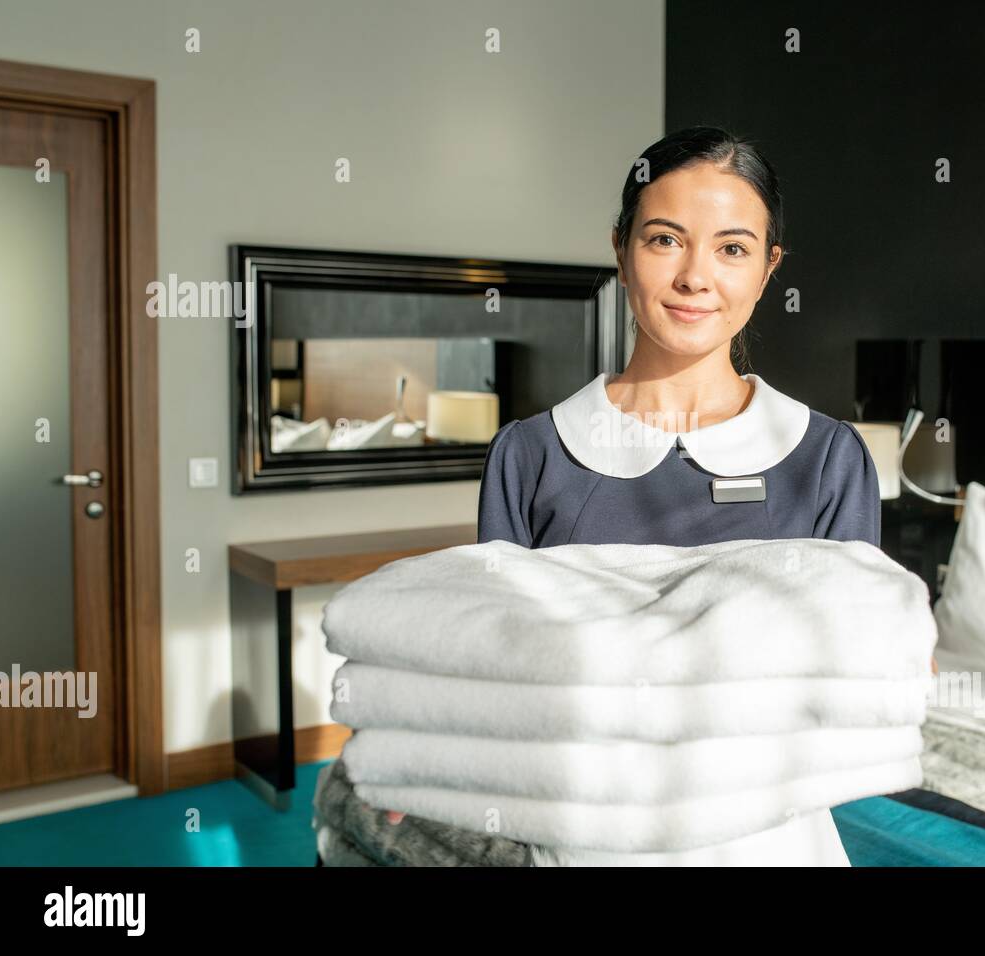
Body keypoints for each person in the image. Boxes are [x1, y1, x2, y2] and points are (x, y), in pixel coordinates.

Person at [382, 126, 922, 863]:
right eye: (666, 240)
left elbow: (848, 692)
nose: (696, 276)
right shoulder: (532, 454)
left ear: (768, 270)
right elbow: (499, 676)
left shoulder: (826, 460)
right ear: (621, 250)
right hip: (578, 841)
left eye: (732, 249)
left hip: (767, 844)